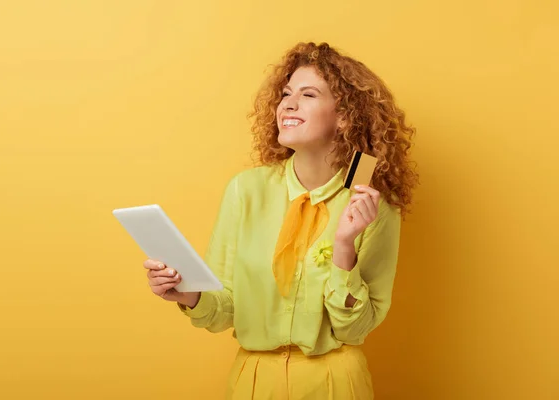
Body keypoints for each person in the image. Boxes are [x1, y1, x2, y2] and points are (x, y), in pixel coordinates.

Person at [143, 41, 418, 399]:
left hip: (334, 384)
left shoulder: (372, 206)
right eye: (286, 93)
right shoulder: (246, 190)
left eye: (308, 94)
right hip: (255, 383)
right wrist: (189, 294)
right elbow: (223, 309)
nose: (287, 103)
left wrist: (343, 246)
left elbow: (354, 329)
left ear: (345, 115)